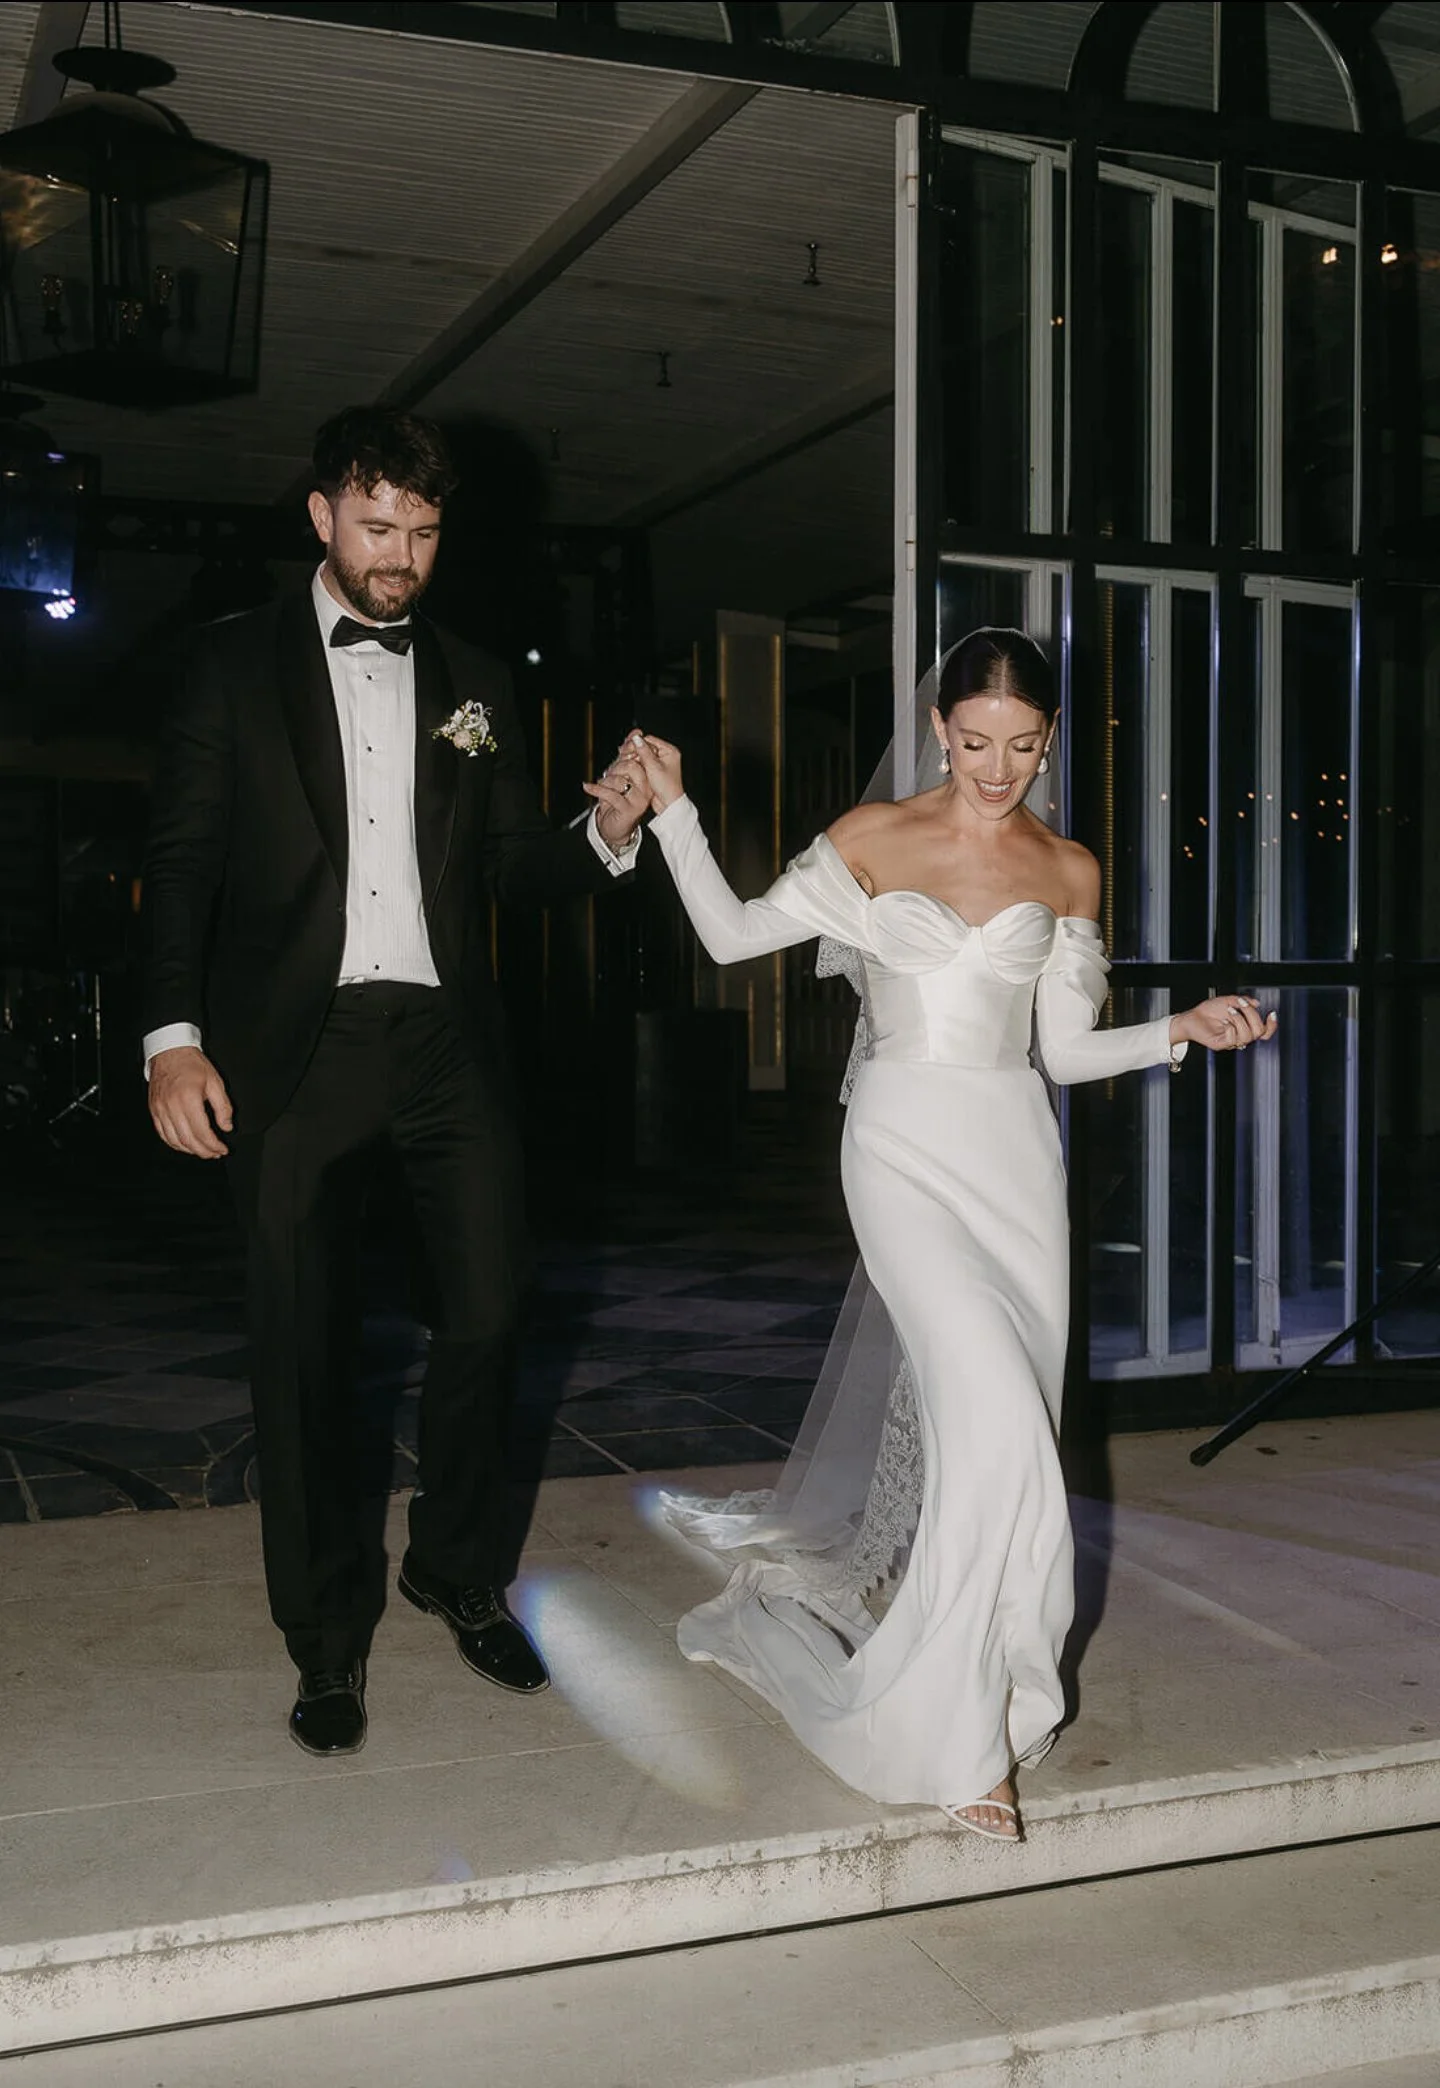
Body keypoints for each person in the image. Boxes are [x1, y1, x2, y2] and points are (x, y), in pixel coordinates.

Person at [615, 629, 1275, 1838]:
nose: (998, 767)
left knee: (1021, 1445)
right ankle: (966, 1741)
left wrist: (1181, 1027)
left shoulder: (1068, 868)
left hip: (1019, 1167)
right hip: (903, 1151)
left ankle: (993, 1680)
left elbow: (1064, 1053)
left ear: (1052, 739)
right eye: (976, 742)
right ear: (938, 729)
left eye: (1024, 746)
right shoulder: (873, 842)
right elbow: (728, 937)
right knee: (999, 1429)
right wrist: (675, 818)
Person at [141, 406, 646, 1756]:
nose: (400, 557)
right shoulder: (229, 668)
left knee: (488, 1310)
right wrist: (168, 1037)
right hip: (288, 1053)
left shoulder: (477, 677)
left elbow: (508, 871)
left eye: (423, 533)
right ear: (320, 515)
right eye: (377, 527)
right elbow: (181, 863)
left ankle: (455, 1568)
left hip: (441, 1045)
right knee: (303, 1355)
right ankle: (323, 1637)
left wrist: (599, 832)